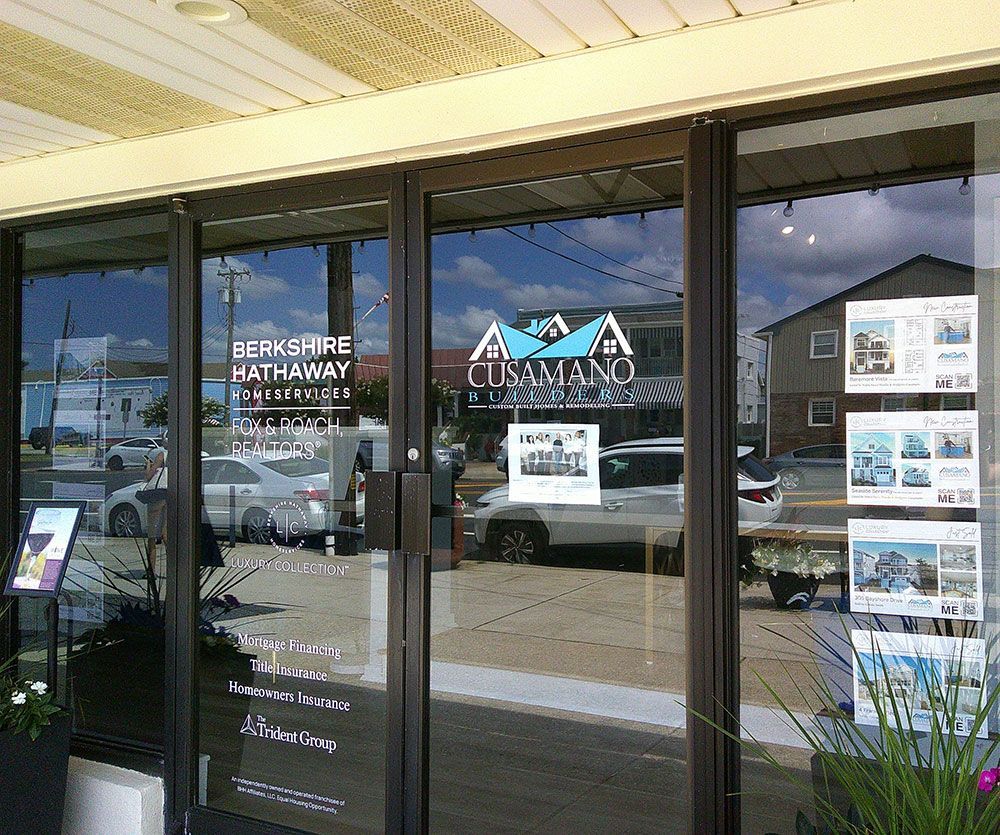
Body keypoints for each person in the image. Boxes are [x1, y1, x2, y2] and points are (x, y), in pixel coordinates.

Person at [141, 451, 168, 579]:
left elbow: (148, 476)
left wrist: (148, 465)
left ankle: (151, 570)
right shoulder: (181, 454)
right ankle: (174, 568)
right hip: (170, 494)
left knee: (151, 535)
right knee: (166, 534)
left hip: (157, 495)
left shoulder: (162, 454)